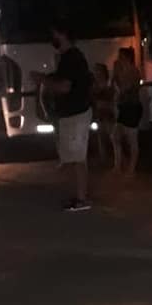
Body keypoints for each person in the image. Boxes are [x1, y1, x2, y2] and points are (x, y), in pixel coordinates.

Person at [32, 22, 92, 212]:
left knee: (77, 158)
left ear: (63, 35)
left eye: (54, 34)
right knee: (72, 158)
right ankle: (78, 196)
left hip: (75, 114)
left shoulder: (71, 58)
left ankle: (81, 199)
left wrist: (42, 79)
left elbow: (64, 87)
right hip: (71, 114)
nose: (52, 39)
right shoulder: (69, 57)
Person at [113, 47, 143, 175]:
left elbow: (126, 89)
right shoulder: (123, 71)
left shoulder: (133, 71)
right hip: (124, 107)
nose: (118, 59)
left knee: (131, 138)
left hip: (132, 107)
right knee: (116, 136)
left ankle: (131, 167)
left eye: (120, 56)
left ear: (126, 57)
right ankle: (118, 164)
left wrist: (119, 91)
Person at [92, 62, 119, 170]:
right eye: (95, 71)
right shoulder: (95, 84)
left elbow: (114, 97)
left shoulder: (109, 83)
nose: (96, 73)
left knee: (113, 138)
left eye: (97, 70)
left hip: (108, 113)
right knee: (101, 138)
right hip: (100, 114)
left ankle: (117, 162)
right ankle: (104, 160)